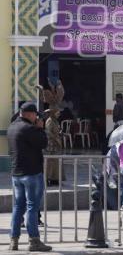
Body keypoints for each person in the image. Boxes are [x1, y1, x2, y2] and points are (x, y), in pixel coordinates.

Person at [7, 101, 52, 252]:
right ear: (30, 114)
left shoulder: (12, 127)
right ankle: (34, 241)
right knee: (32, 206)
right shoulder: (30, 129)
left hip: (16, 174)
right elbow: (43, 143)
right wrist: (40, 129)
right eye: (35, 115)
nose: (37, 117)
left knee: (18, 206)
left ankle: (14, 240)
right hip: (31, 173)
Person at [44, 108, 65, 186]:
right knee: (50, 163)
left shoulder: (56, 121)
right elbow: (48, 132)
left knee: (57, 162)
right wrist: (55, 138)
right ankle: (47, 178)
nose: (58, 114)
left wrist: (59, 133)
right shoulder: (49, 121)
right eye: (57, 112)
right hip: (51, 145)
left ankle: (55, 178)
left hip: (56, 144)